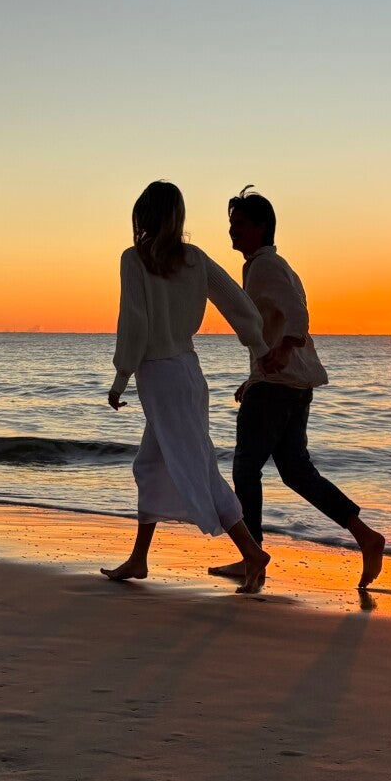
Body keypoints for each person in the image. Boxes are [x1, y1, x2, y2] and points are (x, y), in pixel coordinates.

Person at [101, 180, 275, 593]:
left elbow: (135, 323)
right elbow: (238, 303)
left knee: (198, 467)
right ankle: (139, 558)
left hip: (160, 377)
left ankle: (252, 552)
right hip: (188, 372)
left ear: (143, 215)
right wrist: (258, 344)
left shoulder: (134, 259)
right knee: (151, 464)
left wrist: (121, 376)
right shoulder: (194, 259)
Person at [211, 186, 386, 589]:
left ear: (261, 227)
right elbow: (278, 322)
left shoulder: (265, 266)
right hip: (288, 384)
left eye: (239, 224)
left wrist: (283, 351)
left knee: (246, 468)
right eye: (231, 224)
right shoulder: (268, 265)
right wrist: (255, 375)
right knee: (295, 471)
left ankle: (252, 558)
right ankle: (365, 536)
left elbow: (297, 314)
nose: (232, 232)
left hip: (278, 385)